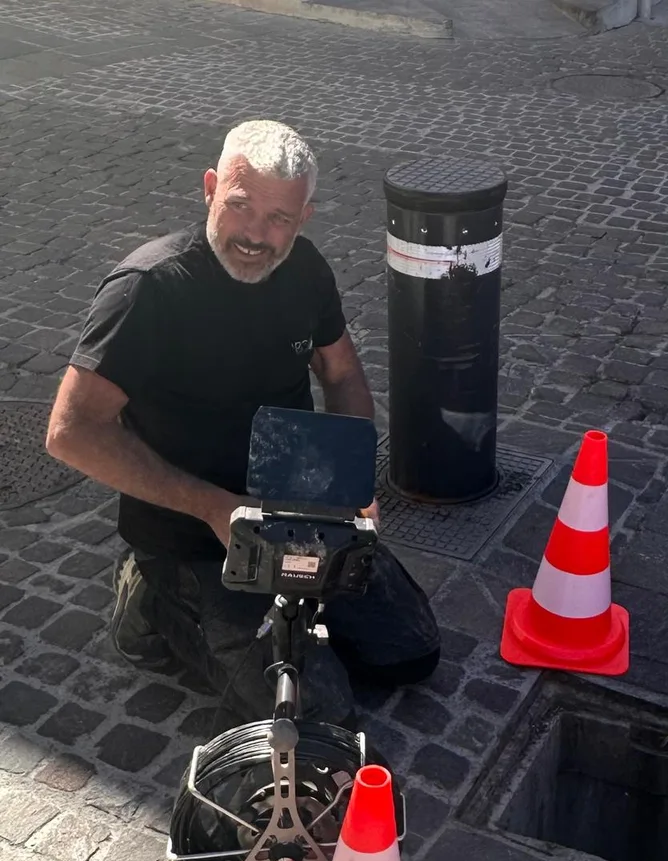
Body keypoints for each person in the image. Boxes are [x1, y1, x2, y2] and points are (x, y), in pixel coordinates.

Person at [46, 119, 440, 729]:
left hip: (293, 514)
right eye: (240, 206)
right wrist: (212, 507)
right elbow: (70, 432)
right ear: (209, 188)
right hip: (192, 534)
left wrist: (351, 479)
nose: (256, 234)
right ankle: (148, 597)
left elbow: (341, 373)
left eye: (279, 218)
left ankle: (273, 615)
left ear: (304, 217)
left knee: (412, 653)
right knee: (319, 716)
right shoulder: (150, 288)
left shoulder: (306, 270)